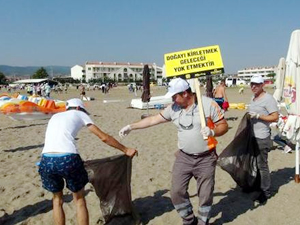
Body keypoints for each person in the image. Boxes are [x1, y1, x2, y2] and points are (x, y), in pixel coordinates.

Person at [119, 78, 228, 225]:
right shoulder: (174, 108)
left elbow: (223, 125)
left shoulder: (207, 105)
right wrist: (131, 126)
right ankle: (189, 220)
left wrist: (213, 132)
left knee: (205, 195)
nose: (172, 99)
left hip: (206, 158)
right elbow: (153, 120)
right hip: (184, 157)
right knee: (176, 192)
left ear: (185, 94)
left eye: (174, 96)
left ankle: (203, 221)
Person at [38, 98, 138, 225]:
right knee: (79, 199)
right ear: (79, 108)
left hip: (46, 160)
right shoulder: (80, 114)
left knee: (57, 200)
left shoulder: (55, 116)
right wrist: (125, 149)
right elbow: (104, 137)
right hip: (67, 158)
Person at [248, 75, 279, 204]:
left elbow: (275, 117)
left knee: (262, 165)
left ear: (262, 85)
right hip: (252, 136)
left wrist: (259, 116)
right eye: (252, 84)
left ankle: (265, 191)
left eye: (256, 84)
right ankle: (258, 187)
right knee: (254, 164)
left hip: (262, 137)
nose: (253, 86)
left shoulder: (268, 99)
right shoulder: (253, 98)